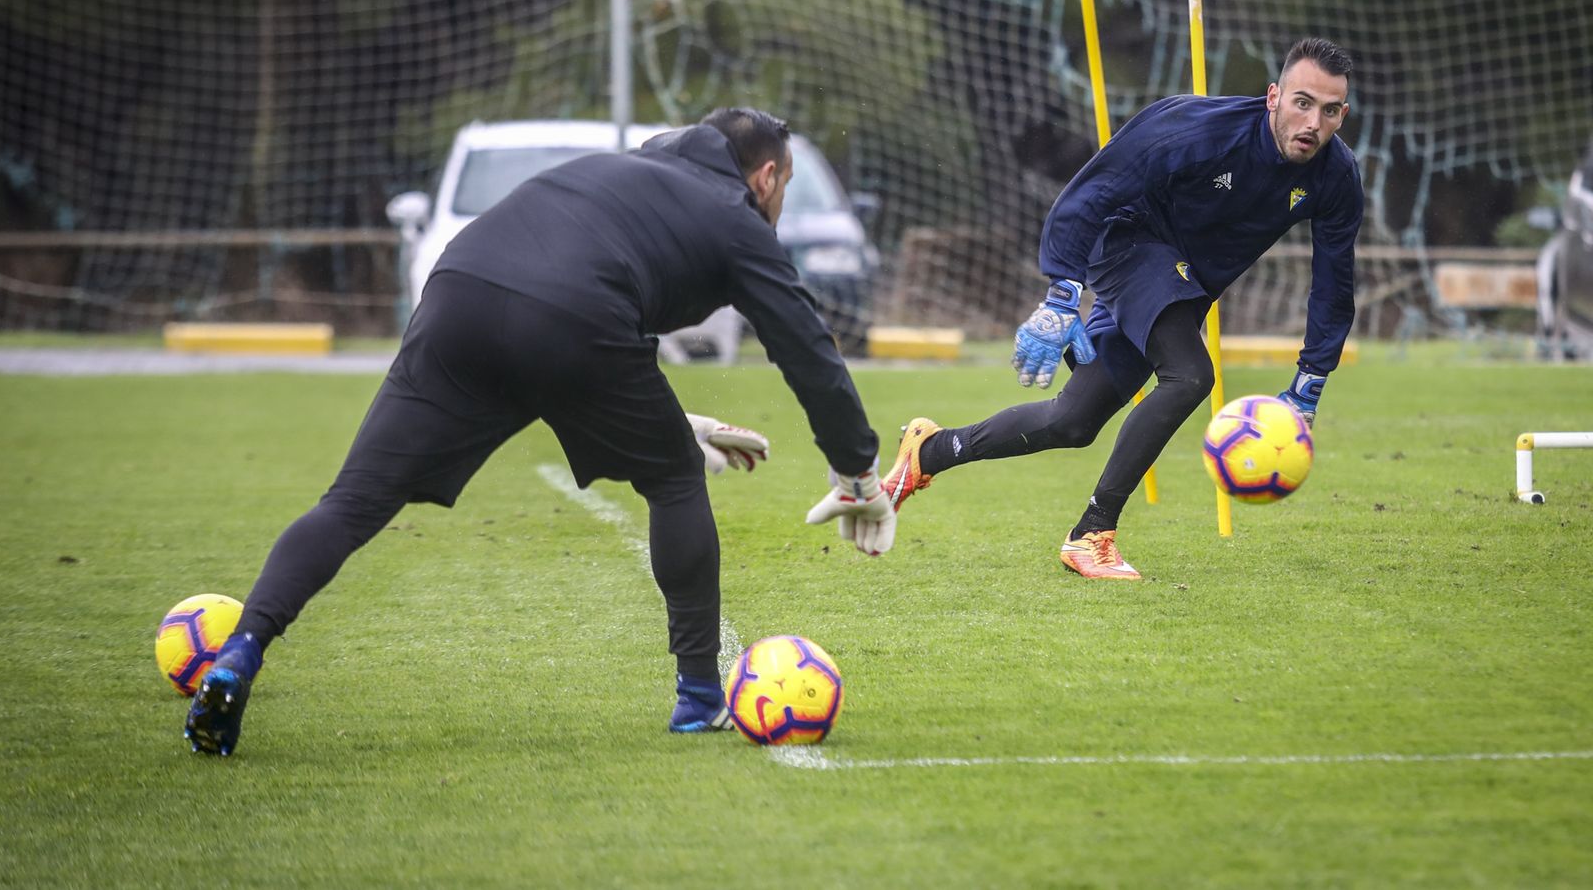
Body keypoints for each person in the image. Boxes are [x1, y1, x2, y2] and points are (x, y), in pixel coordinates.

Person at [185, 107, 898, 756]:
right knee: (675, 477)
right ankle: (698, 699)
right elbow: (807, 349)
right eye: (785, 185)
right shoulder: (737, 220)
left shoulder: (628, 170)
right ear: (767, 175)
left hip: (461, 285)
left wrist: (669, 418)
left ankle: (240, 650)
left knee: (352, 501)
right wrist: (857, 473)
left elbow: (563, 302)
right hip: (570, 316)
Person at [880, 37, 1362, 580]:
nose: (1312, 122)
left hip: (1179, 287)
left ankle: (930, 451)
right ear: (1273, 96)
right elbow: (1090, 193)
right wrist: (1061, 294)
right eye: (1302, 102)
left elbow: (1333, 282)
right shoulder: (1197, 127)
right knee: (1189, 375)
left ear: (1342, 115)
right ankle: (1092, 534)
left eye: (1329, 111)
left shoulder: (1336, 176)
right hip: (1128, 245)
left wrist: (1310, 382)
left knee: (1072, 422)